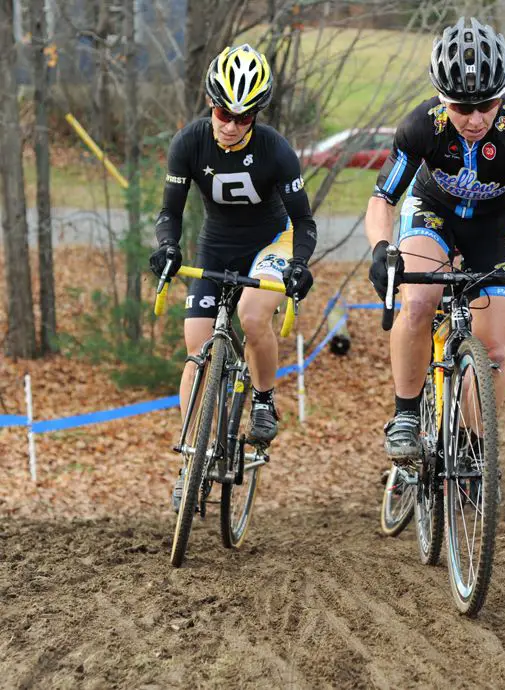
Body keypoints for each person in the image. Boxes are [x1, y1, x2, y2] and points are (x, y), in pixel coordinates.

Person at [365, 17, 505, 462]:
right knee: (419, 300)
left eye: (487, 104)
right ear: (442, 98)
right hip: (432, 214)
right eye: (461, 107)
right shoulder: (422, 125)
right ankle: (405, 414)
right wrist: (382, 249)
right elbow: (383, 197)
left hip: (495, 226)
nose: (475, 119)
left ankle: (475, 449)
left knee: (494, 347)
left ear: (503, 95)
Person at [148, 44, 318, 505]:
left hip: (270, 244)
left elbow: (305, 223)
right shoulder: (190, 143)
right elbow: (169, 213)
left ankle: (263, 399)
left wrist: (298, 265)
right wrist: (167, 248)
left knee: (253, 313)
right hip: (216, 249)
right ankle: (192, 457)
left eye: (244, 118)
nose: (230, 125)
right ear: (210, 104)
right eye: (224, 112)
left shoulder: (276, 151)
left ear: (257, 116)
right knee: (196, 350)